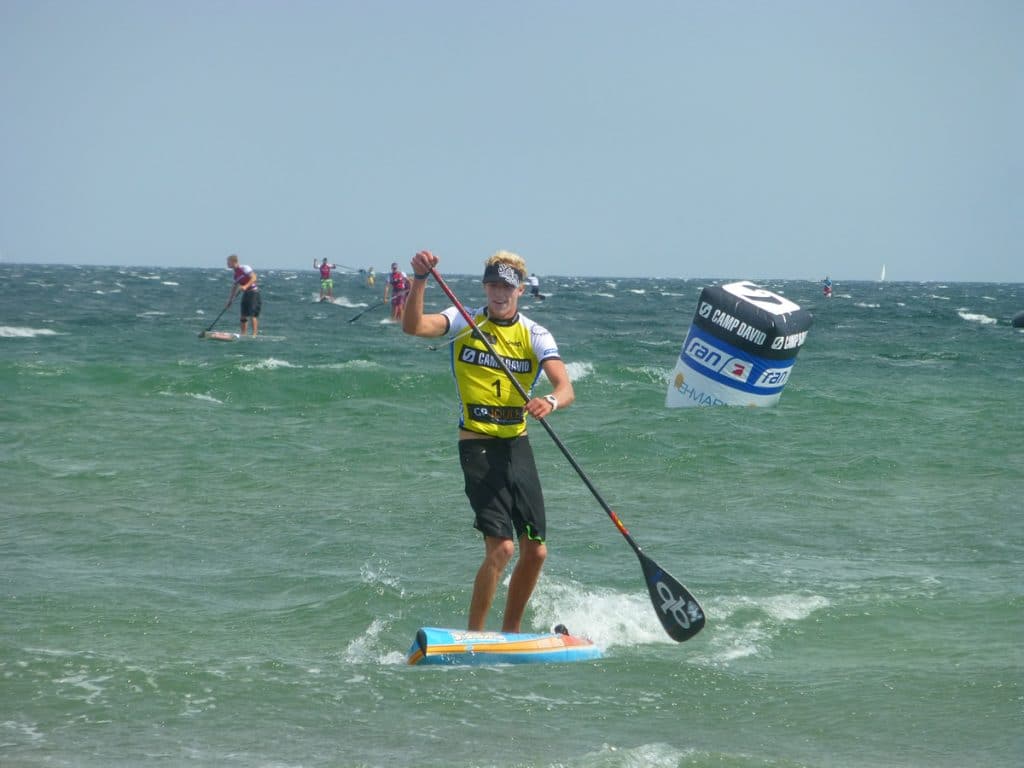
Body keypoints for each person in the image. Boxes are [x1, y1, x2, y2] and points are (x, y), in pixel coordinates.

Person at [402, 249, 575, 634]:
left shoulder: (535, 334)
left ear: (521, 290)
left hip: (516, 445)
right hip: (477, 444)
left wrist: (549, 400)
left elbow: (565, 388)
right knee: (502, 548)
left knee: (536, 550)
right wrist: (419, 281)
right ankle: (475, 636)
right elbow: (412, 326)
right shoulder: (463, 320)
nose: (499, 293)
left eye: (506, 287)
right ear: (484, 287)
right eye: (493, 285)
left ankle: (510, 633)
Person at [226, 254, 261, 336]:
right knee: (243, 315)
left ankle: (254, 335)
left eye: (228, 262)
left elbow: (254, 277)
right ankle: (243, 334)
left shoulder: (245, 268)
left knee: (252, 315)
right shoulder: (235, 274)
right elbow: (234, 288)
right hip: (246, 294)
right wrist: (230, 301)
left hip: (253, 293)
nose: (227, 264)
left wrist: (246, 286)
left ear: (233, 262)